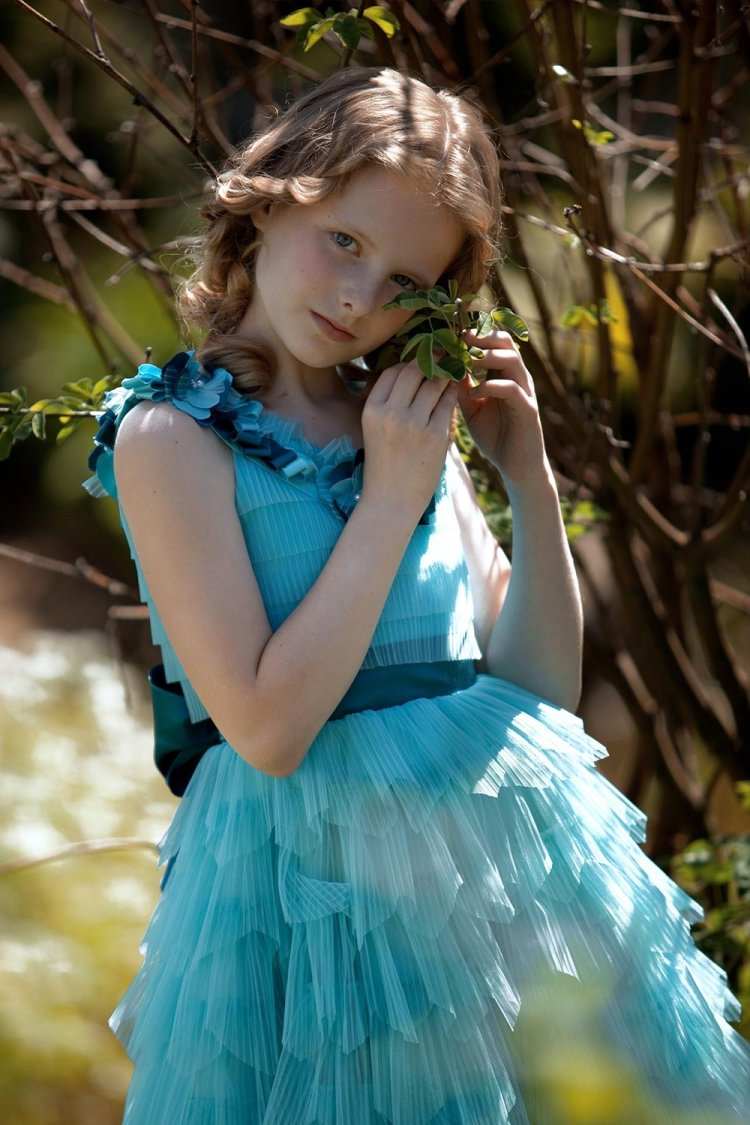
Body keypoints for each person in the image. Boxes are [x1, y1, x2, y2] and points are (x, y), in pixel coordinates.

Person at [84, 66, 750, 1124]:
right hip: (314, 910)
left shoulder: (403, 422)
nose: (359, 297)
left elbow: (536, 698)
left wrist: (526, 478)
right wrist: (390, 503)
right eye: (343, 240)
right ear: (270, 199)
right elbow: (265, 729)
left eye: (405, 282)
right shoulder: (173, 440)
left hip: (508, 898)